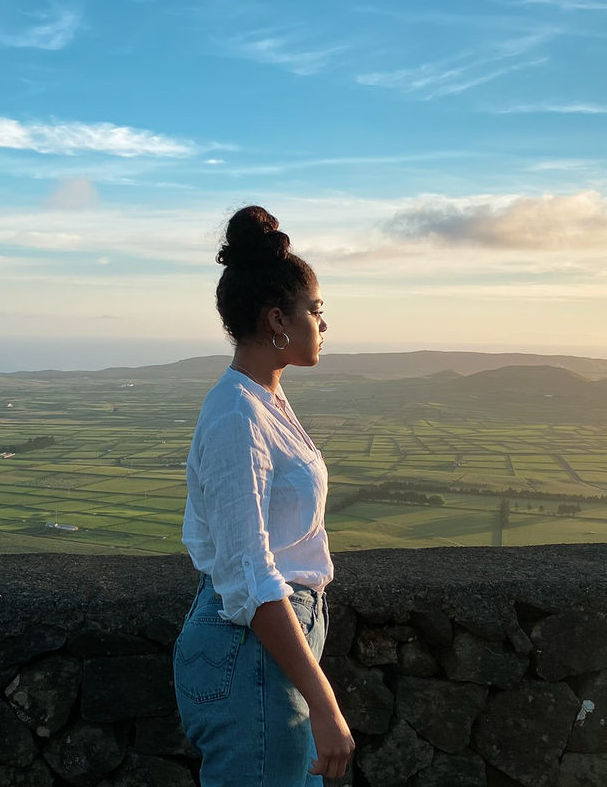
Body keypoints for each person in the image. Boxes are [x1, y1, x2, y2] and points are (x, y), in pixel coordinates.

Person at [173, 205, 354, 785]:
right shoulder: (237, 415)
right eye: (316, 312)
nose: (324, 325)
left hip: (269, 652)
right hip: (252, 653)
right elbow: (250, 576)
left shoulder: (263, 400)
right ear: (278, 319)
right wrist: (324, 705)